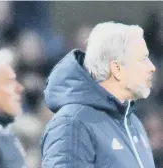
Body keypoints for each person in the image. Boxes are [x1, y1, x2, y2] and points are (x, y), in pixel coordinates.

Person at [41, 22, 156, 168]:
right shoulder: (72, 123)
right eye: (143, 59)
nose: (152, 67)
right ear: (117, 68)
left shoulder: (134, 123)